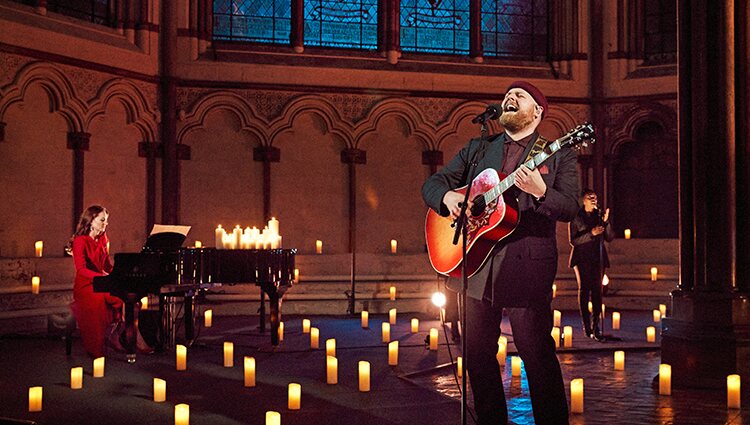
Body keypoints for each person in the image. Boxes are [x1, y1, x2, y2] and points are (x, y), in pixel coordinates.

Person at [422, 81, 580, 425]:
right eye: (508, 94)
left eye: (519, 96)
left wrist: (541, 192)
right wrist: (448, 199)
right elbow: (433, 184)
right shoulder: (479, 148)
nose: (510, 97)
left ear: (537, 111)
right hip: (476, 265)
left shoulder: (559, 153)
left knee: (536, 355)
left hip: (527, 268)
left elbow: (570, 206)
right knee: (477, 356)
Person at [67, 205, 151, 357]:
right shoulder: (80, 241)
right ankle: (98, 348)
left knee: (130, 300)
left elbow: (106, 266)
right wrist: (102, 278)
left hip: (102, 282)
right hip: (86, 286)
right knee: (98, 302)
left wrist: (119, 276)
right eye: (102, 220)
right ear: (91, 220)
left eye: (106, 220)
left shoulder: (103, 238)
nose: (106, 224)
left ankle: (126, 336)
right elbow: (81, 270)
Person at [568, 189, 614, 341]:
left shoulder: (599, 215)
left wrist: (606, 222)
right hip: (581, 258)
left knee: (597, 291)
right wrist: (591, 234)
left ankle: (596, 327)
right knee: (584, 290)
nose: (594, 200)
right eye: (590, 197)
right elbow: (573, 241)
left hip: (597, 258)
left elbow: (609, 238)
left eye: (595, 197)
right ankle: (586, 327)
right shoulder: (576, 217)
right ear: (584, 200)